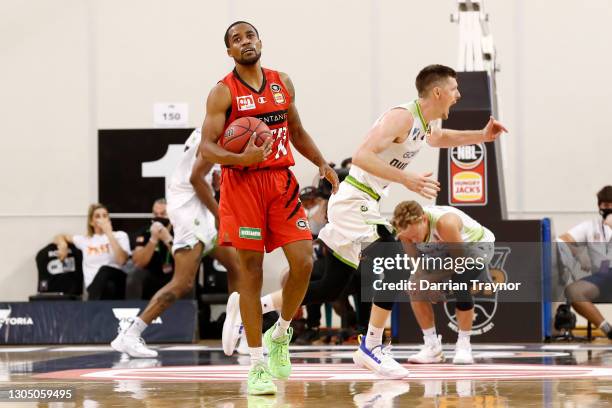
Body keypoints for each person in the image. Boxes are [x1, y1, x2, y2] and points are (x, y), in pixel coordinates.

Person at [225, 64, 506, 379]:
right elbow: (361, 155)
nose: (458, 95)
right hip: (354, 199)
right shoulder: (402, 116)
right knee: (394, 260)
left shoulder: (426, 123)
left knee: (331, 286)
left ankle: (252, 308)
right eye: (454, 89)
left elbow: (439, 138)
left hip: (363, 202)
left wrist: (482, 136)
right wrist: (406, 179)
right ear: (437, 91)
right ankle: (371, 346)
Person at [199, 21, 338, 395]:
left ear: (260, 41)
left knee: (305, 261)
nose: (245, 42)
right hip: (242, 187)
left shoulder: (283, 82)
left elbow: (296, 130)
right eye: (236, 39)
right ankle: (257, 364)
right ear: (229, 51)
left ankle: (281, 332)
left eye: (249, 36)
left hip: (280, 182)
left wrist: (321, 163)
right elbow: (206, 149)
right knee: (251, 271)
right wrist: (240, 158)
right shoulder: (222, 93)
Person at [110, 128, 242, 358]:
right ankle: (130, 334)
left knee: (237, 267)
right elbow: (196, 178)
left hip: (197, 204)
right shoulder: (215, 130)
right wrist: (220, 214)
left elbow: (206, 175)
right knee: (183, 283)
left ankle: (241, 333)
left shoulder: (221, 129)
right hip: (188, 206)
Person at [390, 200, 495, 365]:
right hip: (442, 252)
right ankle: (432, 347)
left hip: (475, 248)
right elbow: (417, 265)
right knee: (414, 286)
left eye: (415, 235)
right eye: (409, 238)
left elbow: (459, 262)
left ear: (424, 219)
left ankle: (463, 345)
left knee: (460, 282)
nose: (414, 240)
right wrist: (425, 282)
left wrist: (432, 279)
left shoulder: (446, 223)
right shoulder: (405, 233)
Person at [560, 185, 612, 338]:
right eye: (606, 205)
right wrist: (579, 252)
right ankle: (608, 330)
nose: (609, 208)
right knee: (573, 292)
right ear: (599, 206)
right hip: (602, 275)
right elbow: (562, 240)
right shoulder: (590, 226)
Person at [54, 203, 130, 300]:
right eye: (98, 216)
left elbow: (122, 260)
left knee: (104, 270)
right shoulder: (85, 240)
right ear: (91, 222)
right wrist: (63, 245)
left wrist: (109, 234)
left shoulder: (120, 235)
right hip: (93, 286)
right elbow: (60, 236)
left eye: (105, 216)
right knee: (103, 278)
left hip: (116, 281)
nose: (102, 219)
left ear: (109, 219)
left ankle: (91, 306)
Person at [131, 198, 175, 299]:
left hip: (175, 275)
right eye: (156, 214)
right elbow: (138, 262)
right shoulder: (146, 232)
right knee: (135, 276)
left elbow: (185, 261)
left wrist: (167, 240)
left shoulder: (179, 231)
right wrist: (153, 240)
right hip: (151, 275)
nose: (159, 217)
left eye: (163, 214)